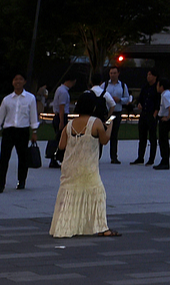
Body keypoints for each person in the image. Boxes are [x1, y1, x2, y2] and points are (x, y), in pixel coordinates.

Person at [51, 91, 117, 238]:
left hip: (70, 167)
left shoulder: (69, 125)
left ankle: (64, 226)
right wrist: (110, 126)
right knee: (98, 193)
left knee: (69, 195)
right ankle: (101, 227)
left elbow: (61, 146)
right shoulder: (96, 122)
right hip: (88, 166)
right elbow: (104, 140)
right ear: (93, 107)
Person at [0, 74, 40, 193]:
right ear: (13, 82)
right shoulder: (7, 99)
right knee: (4, 158)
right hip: (9, 130)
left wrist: (34, 131)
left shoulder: (30, 98)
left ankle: (21, 181)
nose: (18, 82)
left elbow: (33, 116)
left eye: (20, 79)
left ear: (24, 82)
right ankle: (1, 183)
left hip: (23, 130)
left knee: (22, 158)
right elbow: (0, 116)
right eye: (15, 79)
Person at [101, 66, 132, 163]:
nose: (112, 75)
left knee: (114, 134)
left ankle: (113, 156)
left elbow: (127, 98)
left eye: (114, 73)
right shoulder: (105, 85)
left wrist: (120, 100)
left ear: (118, 73)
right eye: (111, 73)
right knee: (102, 133)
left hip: (116, 113)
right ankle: (97, 155)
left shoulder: (122, 85)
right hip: (107, 114)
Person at [132, 72, 160, 166]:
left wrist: (155, 114)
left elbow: (158, 101)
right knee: (142, 137)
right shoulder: (145, 87)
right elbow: (141, 98)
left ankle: (151, 158)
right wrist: (139, 103)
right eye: (147, 75)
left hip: (152, 114)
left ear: (155, 76)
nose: (148, 76)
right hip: (144, 114)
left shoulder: (157, 87)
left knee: (152, 137)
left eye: (150, 75)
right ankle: (140, 157)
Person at [48, 77, 76, 168]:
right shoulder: (63, 92)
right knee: (60, 139)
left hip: (58, 116)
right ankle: (55, 158)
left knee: (59, 138)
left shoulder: (60, 89)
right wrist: (61, 121)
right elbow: (61, 107)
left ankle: (56, 158)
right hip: (61, 116)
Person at [152, 77, 170, 170]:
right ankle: (164, 160)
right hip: (165, 119)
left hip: (165, 121)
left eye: (158, 85)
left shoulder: (165, 95)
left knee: (163, 141)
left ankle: (165, 160)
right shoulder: (168, 94)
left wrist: (167, 117)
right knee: (163, 140)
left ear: (161, 86)